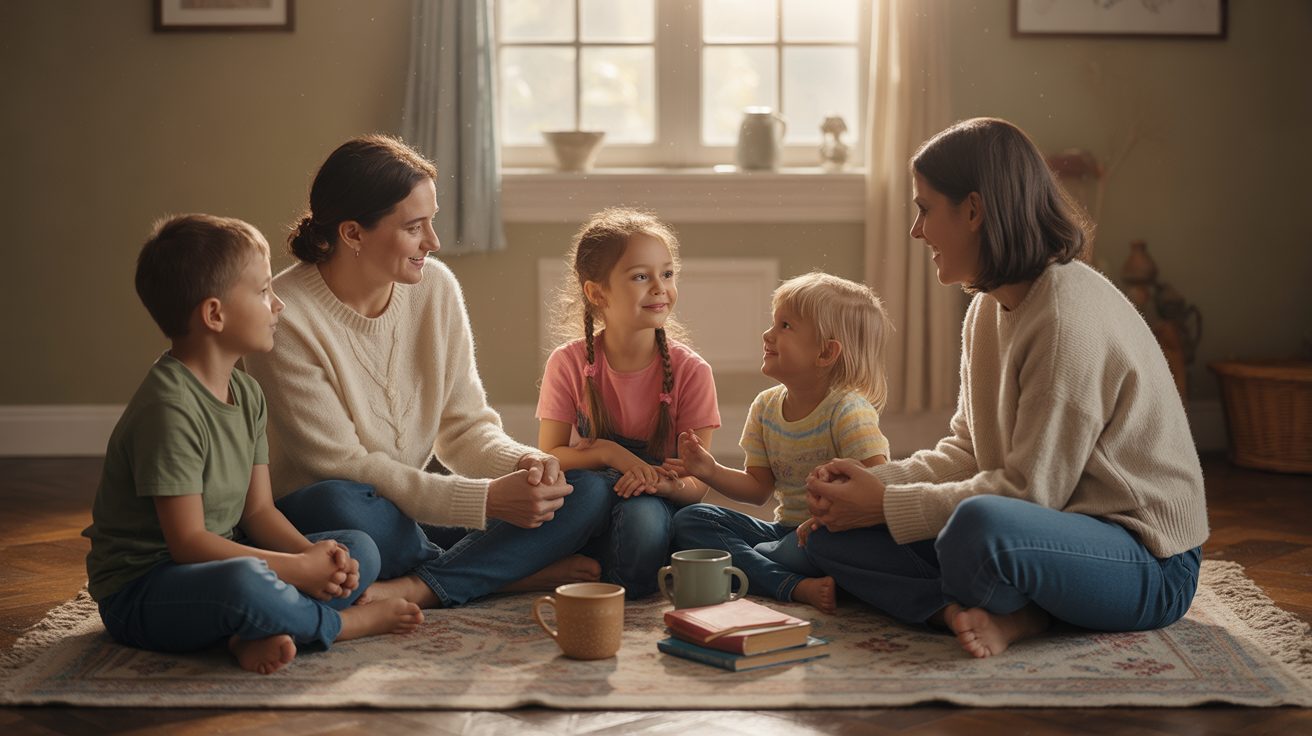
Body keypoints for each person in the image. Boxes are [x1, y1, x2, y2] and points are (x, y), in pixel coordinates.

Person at [802, 117, 1208, 657]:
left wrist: (886, 506)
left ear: (973, 210)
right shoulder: (987, 309)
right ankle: (976, 610)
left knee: (977, 526)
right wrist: (878, 483)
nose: (915, 230)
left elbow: (1030, 494)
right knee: (833, 537)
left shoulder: (1065, 316)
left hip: (1148, 560)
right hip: (1047, 533)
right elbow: (969, 450)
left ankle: (1021, 615)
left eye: (925, 208)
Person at [242, 135, 610, 609]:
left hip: (412, 510)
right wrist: (486, 503)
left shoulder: (436, 288)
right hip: (334, 511)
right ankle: (495, 572)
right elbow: (341, 466)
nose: (433, 243)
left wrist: (524, 465)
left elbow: (465, 428)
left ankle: (430, 579)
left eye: (431, 222)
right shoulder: (286, 315)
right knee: (350, 508)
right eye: (415, 227)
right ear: (353, 233)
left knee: (587, 490)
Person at [83, 215, 422, 676]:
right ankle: (339, 625)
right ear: (214, 314)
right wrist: (298, 572)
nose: (278, 304)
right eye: (263, 291)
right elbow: (187, 544)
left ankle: (252, 631)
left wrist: (312, 558)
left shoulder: (246, 394)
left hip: (224, 559)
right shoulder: (168, 409)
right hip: (145, 589)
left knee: (356, 547)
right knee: (244, 582)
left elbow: (258, 513)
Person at [671, 272, 892, 614]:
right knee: (692, 519)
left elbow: (878, 485)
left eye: (785, 326)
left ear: (826, 352)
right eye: (773, 323)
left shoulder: (849, 411)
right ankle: (792, 582)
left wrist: (824, 521)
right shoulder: (765, 407)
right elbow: (758, 490)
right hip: (786, 532)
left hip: (834, 534)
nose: (767, 334)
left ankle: (768, 569)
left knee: (807, 546)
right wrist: (709, 470)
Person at [536, 208, 720, 598]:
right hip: (595, 485)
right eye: (641, 276)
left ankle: (602, 581)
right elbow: (549, 455)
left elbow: (697, 482)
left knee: (642, 523)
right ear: (596, 292)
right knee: (587, 493)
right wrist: (608, 452)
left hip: (656, 496)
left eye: (667, 274)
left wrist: (662, 487)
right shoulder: (567, 362)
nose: (660, 288)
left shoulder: (693, 372)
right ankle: (549, 564)